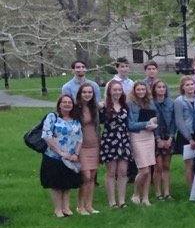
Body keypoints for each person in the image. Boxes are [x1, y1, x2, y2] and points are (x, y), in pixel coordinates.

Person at [40, 94, 83, 217]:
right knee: (57, 185)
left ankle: (66, 207)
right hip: (54, 156)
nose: (67, 104)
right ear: (59, 104)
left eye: (69, 102)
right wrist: (59, 152)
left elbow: (80, 138)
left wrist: (76, 153)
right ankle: (58, 209)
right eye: (64, 102)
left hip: (70, 157)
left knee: (67, 184)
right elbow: (47, 135)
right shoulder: (52, 117)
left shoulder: (75, 120)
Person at [100, 81, 132, 208]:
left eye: (119, 90)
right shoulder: (104, 106)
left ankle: (122, 200)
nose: (117, 92)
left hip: (123, 140)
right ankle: (112, 201)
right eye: (114, 90)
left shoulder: (125, 106)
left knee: (123, 171)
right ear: (109, 92)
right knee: (111, 172)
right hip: (110, 140)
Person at [127, 81, 158, 205]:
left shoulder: (150, 103)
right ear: (134, 91)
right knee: (143, 169)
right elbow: (131, 125)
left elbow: (155, 118)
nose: (140, 92)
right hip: (137, 136)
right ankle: (135, 194)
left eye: (142, 89)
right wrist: (146, 124)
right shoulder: (130, 104)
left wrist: (154, 124)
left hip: (149, 136)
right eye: (138, 89)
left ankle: (145, 198)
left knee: (149, 167)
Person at [74, 84, 101, 214]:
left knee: (92, 177)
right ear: (80, 93)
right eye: (84, 92)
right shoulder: (76, 109)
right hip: (82, 146)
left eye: (90, 92)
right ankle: (80, 206)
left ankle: (89, 205)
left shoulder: (94, 108)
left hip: (95, 145)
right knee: (86, 175)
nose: (87, 94)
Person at [151, 80, 177, 199]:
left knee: (166, 165)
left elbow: (173, 121)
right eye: (159, 87)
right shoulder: (150, 104)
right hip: (155, 136)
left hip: (168, 136)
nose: (161, 89)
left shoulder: (171, 103)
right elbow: (151, 121)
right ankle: (157, 192)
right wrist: (158, 139)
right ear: (154, 89)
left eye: (163, 87)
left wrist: (171, 137)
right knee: (158, 166)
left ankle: (167, 192)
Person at [173, 76, 195, 190]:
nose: (190, 87)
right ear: (183, 87)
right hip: (186, 135)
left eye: (192, 84)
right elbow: (179, 121)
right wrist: (189, 138)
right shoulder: (179, 101)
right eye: (187, 85)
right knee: (190, 163)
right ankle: (191, 188)